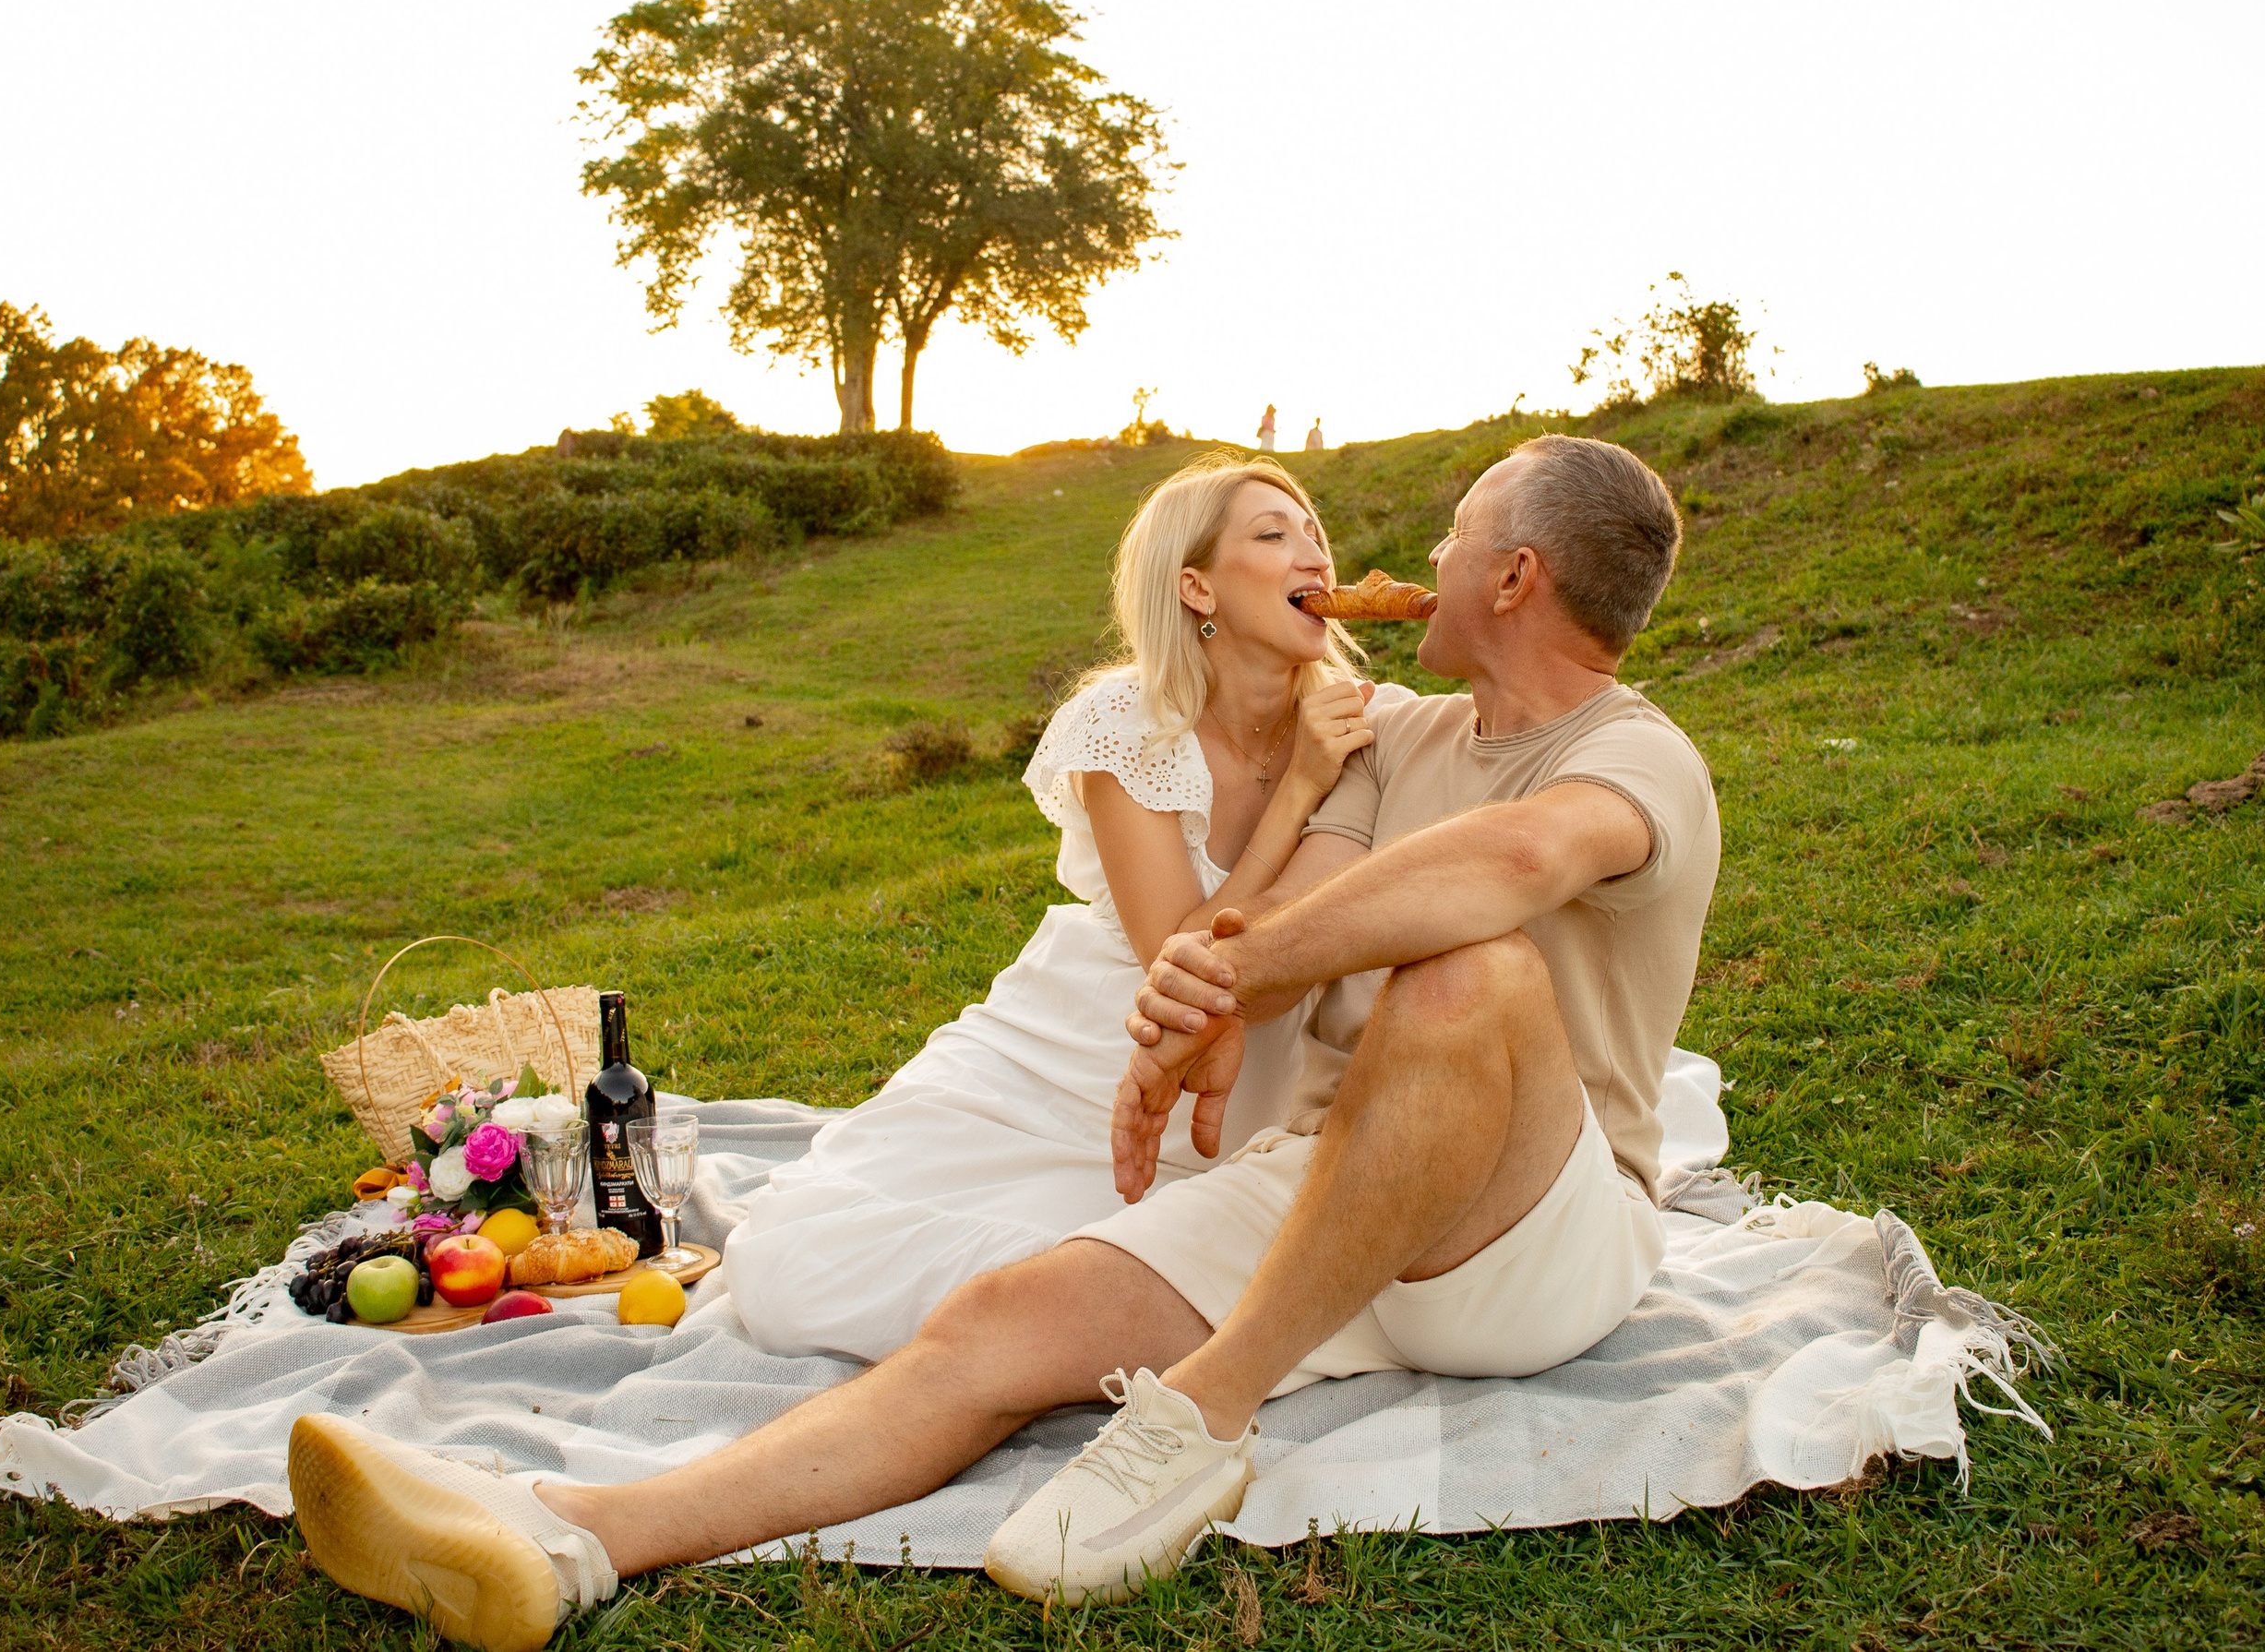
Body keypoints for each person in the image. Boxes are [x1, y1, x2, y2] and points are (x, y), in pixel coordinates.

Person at [289, 434, 1718, 1652]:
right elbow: (1272, 924)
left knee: (1470, 973)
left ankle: (1198, 1419)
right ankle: (567, 1538)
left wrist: (1247, 967)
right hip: (1339, 1192)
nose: (1423, 547)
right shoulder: (1399, 739)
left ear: (1515, 575)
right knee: (997, 1321)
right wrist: (1191, 1023)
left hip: (1533, 1231)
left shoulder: (1634, 753)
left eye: (1462, 530)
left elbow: (1515, 859)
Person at [716, 454, 1395, 1361]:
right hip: (1077, 1055)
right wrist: (1300, 783)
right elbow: (1182, 960)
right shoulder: (1125, 721)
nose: (1314, 556)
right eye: (1273, 534)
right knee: (799, 1265)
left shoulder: (1365, 722)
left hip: (1252, 1073)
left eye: (1316, 533)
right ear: (1196, 585)